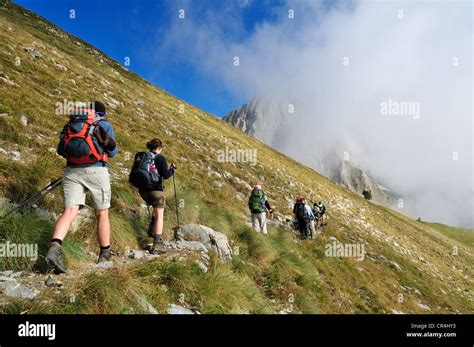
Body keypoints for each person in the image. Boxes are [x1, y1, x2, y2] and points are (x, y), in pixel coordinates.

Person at [46, 101, 118, 273]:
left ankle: (54, 249)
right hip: (97, 170)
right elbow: (113, 153)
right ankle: (104, 253)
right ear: (101, 113)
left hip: (71, 171)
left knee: (70, 211)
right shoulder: (104, 125)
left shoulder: (71, 125)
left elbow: (60, 150)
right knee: (102, 212)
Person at [137, 138, 176, 254]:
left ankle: (151, 230)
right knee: (160, 215)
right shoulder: (160, 158)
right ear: (159, 147)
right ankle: (157, 244)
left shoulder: (142, 156)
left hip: (143, 191)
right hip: (156, 190)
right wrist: (172, 169)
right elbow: (166, 175)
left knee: (155, 208)